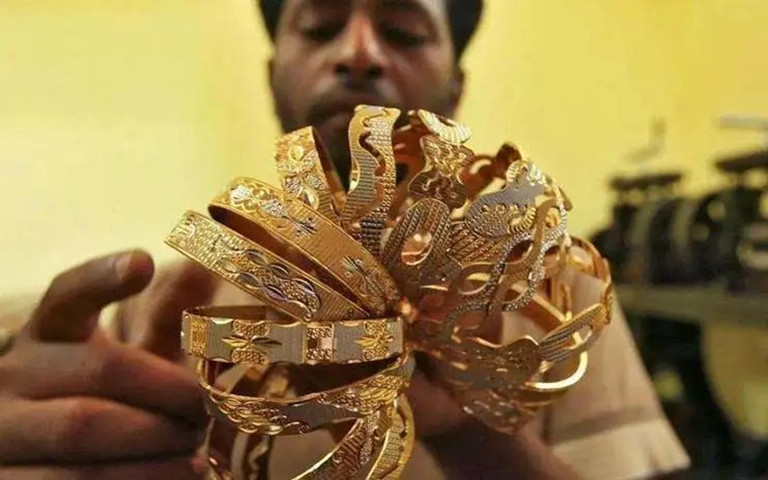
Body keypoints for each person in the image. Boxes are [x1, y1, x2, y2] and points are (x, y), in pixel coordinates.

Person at [0, 0, 690, 478]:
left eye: (405, 32)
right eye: (321, 25)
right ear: (272, 75)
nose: (358, 53)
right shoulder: (157, 309)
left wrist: (464, 429)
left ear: (455, 89)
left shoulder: (553, 286)